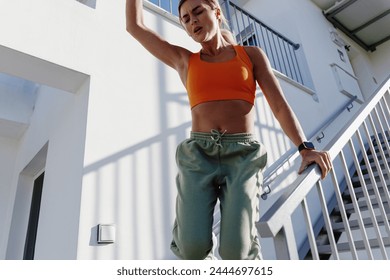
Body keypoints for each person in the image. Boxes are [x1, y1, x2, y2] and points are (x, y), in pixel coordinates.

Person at [126, 0, 332, 260]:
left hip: (243, 156)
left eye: (198, 11)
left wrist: (305, 148)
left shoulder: (251, 55)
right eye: (186, 19)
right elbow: (135, 27)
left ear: (217, 12)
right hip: (199, 156)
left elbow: (279, 106)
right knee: (191, 248)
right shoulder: (184, 61)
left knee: (237, 251)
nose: (193, 21)